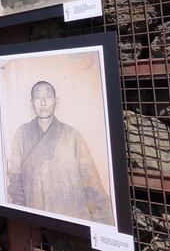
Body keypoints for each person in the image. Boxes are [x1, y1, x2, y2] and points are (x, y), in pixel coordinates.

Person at [7, 81, 114, 225]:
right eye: (38, 97)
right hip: (36, 216)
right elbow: (15, 179)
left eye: (48, 97)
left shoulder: (72, 135)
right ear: (31, 102)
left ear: (56, 101)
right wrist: (21, 213)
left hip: (71, 216)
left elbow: (91, 184)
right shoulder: (22, 134)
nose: (43, 103)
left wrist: (102, 222)